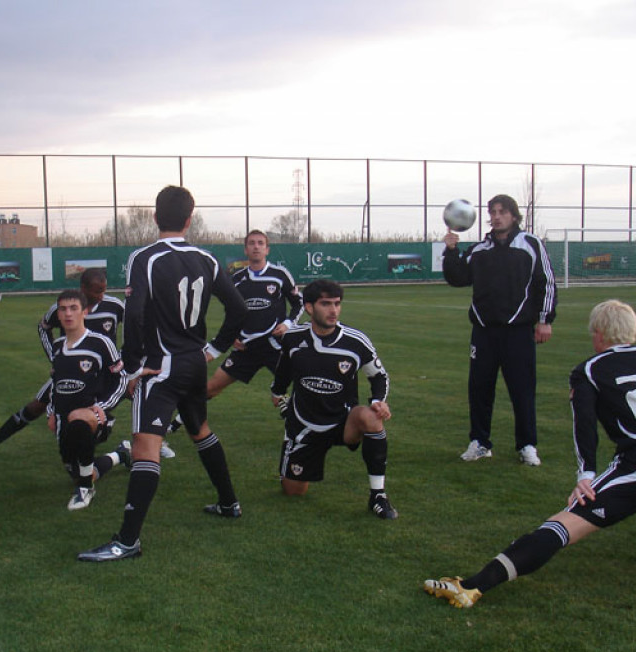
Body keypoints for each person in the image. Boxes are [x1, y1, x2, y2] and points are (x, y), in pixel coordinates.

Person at [425, 300, 636, 608]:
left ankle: (472, 586)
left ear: (599, 333)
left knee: (563, 525)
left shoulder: (589, 369)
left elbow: (584, 425)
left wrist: (586, 475)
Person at [77, 185, 247, 562]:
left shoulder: (145, 257)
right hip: (193, 362)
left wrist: (133, 367)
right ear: (189, 219)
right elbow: (238, 309)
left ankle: (127, 541)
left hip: (161, 366)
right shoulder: (207, 258)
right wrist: (213, 349)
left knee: (144, 446)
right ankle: (229, 503)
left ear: (155, 217)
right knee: (200, 430)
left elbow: (135, 314)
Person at [0, 267, 157, 461]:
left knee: (138, 395)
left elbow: (135, 328)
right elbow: (43, 327)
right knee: (36, 407)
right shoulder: (64, 309)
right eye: (96, 291)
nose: (101, 295)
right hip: (72, 373)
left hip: (106, 372)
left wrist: (126, 357)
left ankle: (155, 441)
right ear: (83, 288)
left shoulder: (114, 305)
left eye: (103, 290)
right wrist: (57, 358)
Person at [442, 193, 557, 466]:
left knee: (522, 391)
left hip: (518, 332)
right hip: (483, 332)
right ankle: (480, 442)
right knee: (479, 390)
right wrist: (451, 251)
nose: (496, 217)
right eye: (492, 212)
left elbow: (546, 282)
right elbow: (457, 278)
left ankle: (527, 445)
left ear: (514, 216)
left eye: (502, 211)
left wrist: (545, 320)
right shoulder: (480, 249)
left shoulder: (530, 244)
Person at [269, 279, 398, 519]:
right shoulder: (293, 338)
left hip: (343, 422)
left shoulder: (356, 341)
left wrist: (378, 401)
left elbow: (379, 376)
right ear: (309, 307)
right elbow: (283, 370)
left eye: (337, 304)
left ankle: (378, 495)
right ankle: (291, 439)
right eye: (326, 304)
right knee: (293, 491)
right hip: (305, 426)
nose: (333, 310)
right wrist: (277, 392)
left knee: (370, 417)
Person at [45, 289, 130, 510]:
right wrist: (51, 412)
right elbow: (56, 384)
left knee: (79, 420)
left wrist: (101, 406)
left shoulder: (100, 343)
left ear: (84, 312)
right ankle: (121, 454)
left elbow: (121, 379)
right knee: (80, 471)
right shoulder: (57, 346)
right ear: (58, 314)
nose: (68, 314)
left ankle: (85, 490)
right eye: (63, 309)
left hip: (93, 417)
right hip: (63, 419)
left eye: (73, 308)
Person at [205, 229, 302, 399]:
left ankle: (294, 409)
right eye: (251, 243)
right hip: (246, 346)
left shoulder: (279, 275)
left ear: (267, 250)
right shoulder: (236, 279)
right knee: (210, 388)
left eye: (260, 243)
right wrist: (232, 336)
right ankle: (181, 416)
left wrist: (288, 324)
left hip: (276, 345)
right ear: (245, 250)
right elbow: (231, 312)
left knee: (304, 385)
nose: (256, 247)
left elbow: (299, 303)